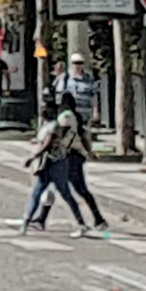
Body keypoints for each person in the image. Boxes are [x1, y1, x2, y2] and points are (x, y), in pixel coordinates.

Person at [33, 93, 109, 232]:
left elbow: (59, 135)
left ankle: (45, 219)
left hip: (64, 157)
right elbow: (83, 136)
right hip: (76, 157)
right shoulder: (77, 117)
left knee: (58, 189)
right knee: (79, 190)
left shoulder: (64, 117)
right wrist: (89, 152)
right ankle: (98, 219)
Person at [22, 101, 91, 234]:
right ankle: (80, 223)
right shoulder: (50, 125)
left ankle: (26, 222)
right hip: (58, 162)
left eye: (45, 108)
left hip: (52, 163)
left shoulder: (54, 127)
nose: (42, 110)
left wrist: (32, 157)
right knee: (60, 194)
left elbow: (47, 145)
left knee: (41, 193)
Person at [54, 52, 100, 127]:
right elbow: (58, 96)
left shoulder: (90, 79)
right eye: (75, 63)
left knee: (85, 137)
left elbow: (94, 96)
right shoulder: (64, 78)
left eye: (80, 63)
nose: (77, 65)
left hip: (85, 115)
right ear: (71, 64)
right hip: (69, 116)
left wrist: (95, 112)